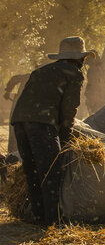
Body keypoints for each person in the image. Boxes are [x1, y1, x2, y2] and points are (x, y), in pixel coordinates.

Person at [10, 36, 93, 225]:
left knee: (32, 171)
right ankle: (54, 221)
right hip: (41, 125)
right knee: (51, 172)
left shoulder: (40, 71)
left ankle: (39, 217)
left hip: (19, 121)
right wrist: (65, 138)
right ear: (79, 59)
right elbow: (69, 110)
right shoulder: (74, 73)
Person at [84, 50, 105, 114]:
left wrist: (88, 94)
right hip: (101, 98)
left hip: (97, 99)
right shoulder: (101, 68)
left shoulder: (93, 70)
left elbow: (93, 85)